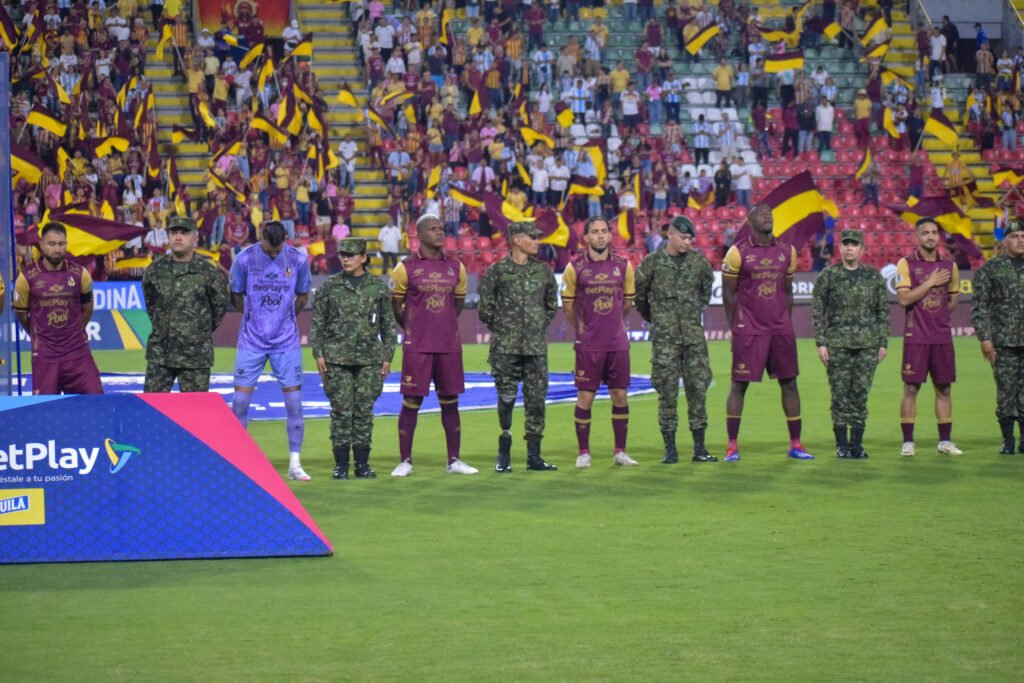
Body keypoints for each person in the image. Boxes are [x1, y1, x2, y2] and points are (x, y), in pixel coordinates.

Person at [721, 205, 814, 461]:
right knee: (739, 386)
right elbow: (728, 294)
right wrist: (735, 329)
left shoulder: (787, 251)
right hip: (749, 329)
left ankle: (796, 444)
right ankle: (732, 446)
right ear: (750, 220)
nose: (767, 216)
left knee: (790, 384)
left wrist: (785, 321)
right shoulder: (738, 252)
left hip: (780, 329)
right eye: (761, 213)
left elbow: (788, 291)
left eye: (769, 214)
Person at [390, 214, 477, 476]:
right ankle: (405, 461)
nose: (440, 232)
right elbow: (397, 307)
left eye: (441, 228)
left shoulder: (456, 268)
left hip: (449, 345)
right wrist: (415, 329)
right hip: (418, 346)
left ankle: (454, 461)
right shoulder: (404, 268)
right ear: (419, 234)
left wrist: (441, 325)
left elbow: (457, 305)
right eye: (433, 229)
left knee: (451, 402)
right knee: (411, 401)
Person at [229, 221, 313, 480]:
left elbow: (302, 295)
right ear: (260, 237)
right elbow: (235, 294)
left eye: (278, 249)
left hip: (286, 342)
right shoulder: (244, 259)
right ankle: (239, 462)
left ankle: (295, 464)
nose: (274, 254)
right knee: (240, 402)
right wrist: (255, 318)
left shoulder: (298, 259)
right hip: (251, 341)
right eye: (269, 248)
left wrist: (285, 319)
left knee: (294, 403)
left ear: (286, 238)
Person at [310, 237, 396, 480]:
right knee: (340, 411)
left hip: (370, 359)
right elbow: (317, 324)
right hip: (337, 358)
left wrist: (387, 355)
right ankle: (340, 465)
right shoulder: (329, 287)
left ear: (364, 258)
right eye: (343, 254)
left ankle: (362, 464)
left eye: (351, 254)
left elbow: (388, 326)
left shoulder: (378, 287)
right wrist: (318, 353)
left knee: (364, 412)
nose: (346, 259)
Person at [477, 221, 559, 473]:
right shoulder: (497, 271)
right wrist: (506, 329)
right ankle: (504, 452)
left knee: (537, 401)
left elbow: (550, 306)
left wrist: (533, 328)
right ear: (517, 240)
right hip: (506, 349)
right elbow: (485, 310)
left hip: (535, 349)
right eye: (532, 238)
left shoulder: (544, 271)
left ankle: (534, 456)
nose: (537, 242)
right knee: (506, 399)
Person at [634, 215, 716, 463]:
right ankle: (670, 449)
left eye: (690, 238)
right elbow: (640, 296)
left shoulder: (699, 263)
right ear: (669, 234)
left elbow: (705, 293)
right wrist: (659, 319)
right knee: (667, 393)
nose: (688, 242)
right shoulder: (652, 264)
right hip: (665, 340)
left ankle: (699, 448)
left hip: (693, 339)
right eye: (683, 237)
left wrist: (689, 316)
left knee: (697, 391)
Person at [561, 216, 638, 468]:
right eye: (595, 232)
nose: (600, 236)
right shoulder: (575, 267)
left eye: (604, 231)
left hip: (617, 343)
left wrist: (612, 324)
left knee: (620, 395)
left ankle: (620, 452)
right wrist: (584, 328)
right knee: (585, 397)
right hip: (588, 345)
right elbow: (569, 306)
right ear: (587, 237)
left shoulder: (623, 265)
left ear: (609, 235)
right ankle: (584, 452)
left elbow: (627, 303)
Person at [811, 230, 889, 459]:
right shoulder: (829, 275)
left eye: (854, 244)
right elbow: (817, 311)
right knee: (839, 396)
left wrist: (882, 341)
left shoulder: (873, 276)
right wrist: (821, 342)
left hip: (867, 344)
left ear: (862, 249)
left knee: (860, 395)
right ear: (840, 248)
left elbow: (882, 311)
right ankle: (841, 444)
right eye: (845, 244)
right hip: (837, 344)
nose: (849, 248)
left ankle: (856, 444)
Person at [895, 217, 963, 457]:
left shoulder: (949, 265)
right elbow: (903, 299)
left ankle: (945, 441)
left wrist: (936, 315)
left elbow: (952, 302)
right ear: (917, 236)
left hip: (942, 337)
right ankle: (908, 442)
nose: (931, 237)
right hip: (916, 337)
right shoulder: (906, 264)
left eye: (934, 232)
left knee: (944, 389)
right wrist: (931, 282)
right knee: (911, 388)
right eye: (925, 233)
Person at [13, 223, 103, 395]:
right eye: (52, 244)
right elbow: (22, 314)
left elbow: (87, 310)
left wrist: (73, 331)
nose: (57, 249)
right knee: (45, 413)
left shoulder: (80, 274)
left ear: (66, 245)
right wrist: (39, 334)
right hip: (45, 357)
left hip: (78, 354)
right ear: (41, 245)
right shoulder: (25, 278)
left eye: (61, 244)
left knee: (97, 404)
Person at [141, 216, 228, 392]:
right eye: (174, 232)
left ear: (195, 238)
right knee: (151, 413)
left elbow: (218, 309)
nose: (178, 237)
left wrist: (197, 331)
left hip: (195, 357)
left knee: (195, 416)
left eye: (184, 233)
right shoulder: (154, 271)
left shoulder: (209, 273)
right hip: (160, 355)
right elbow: (151, 305)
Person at [970, 219, 1024, 454]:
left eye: (1023, 236)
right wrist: (985, 338)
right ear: (1005, 241)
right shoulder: (989, 270)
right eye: (1014, 236)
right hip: (1003, 342)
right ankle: (1008, 439)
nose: (1020, 240)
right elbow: (980, 307)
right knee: (1006, 391)